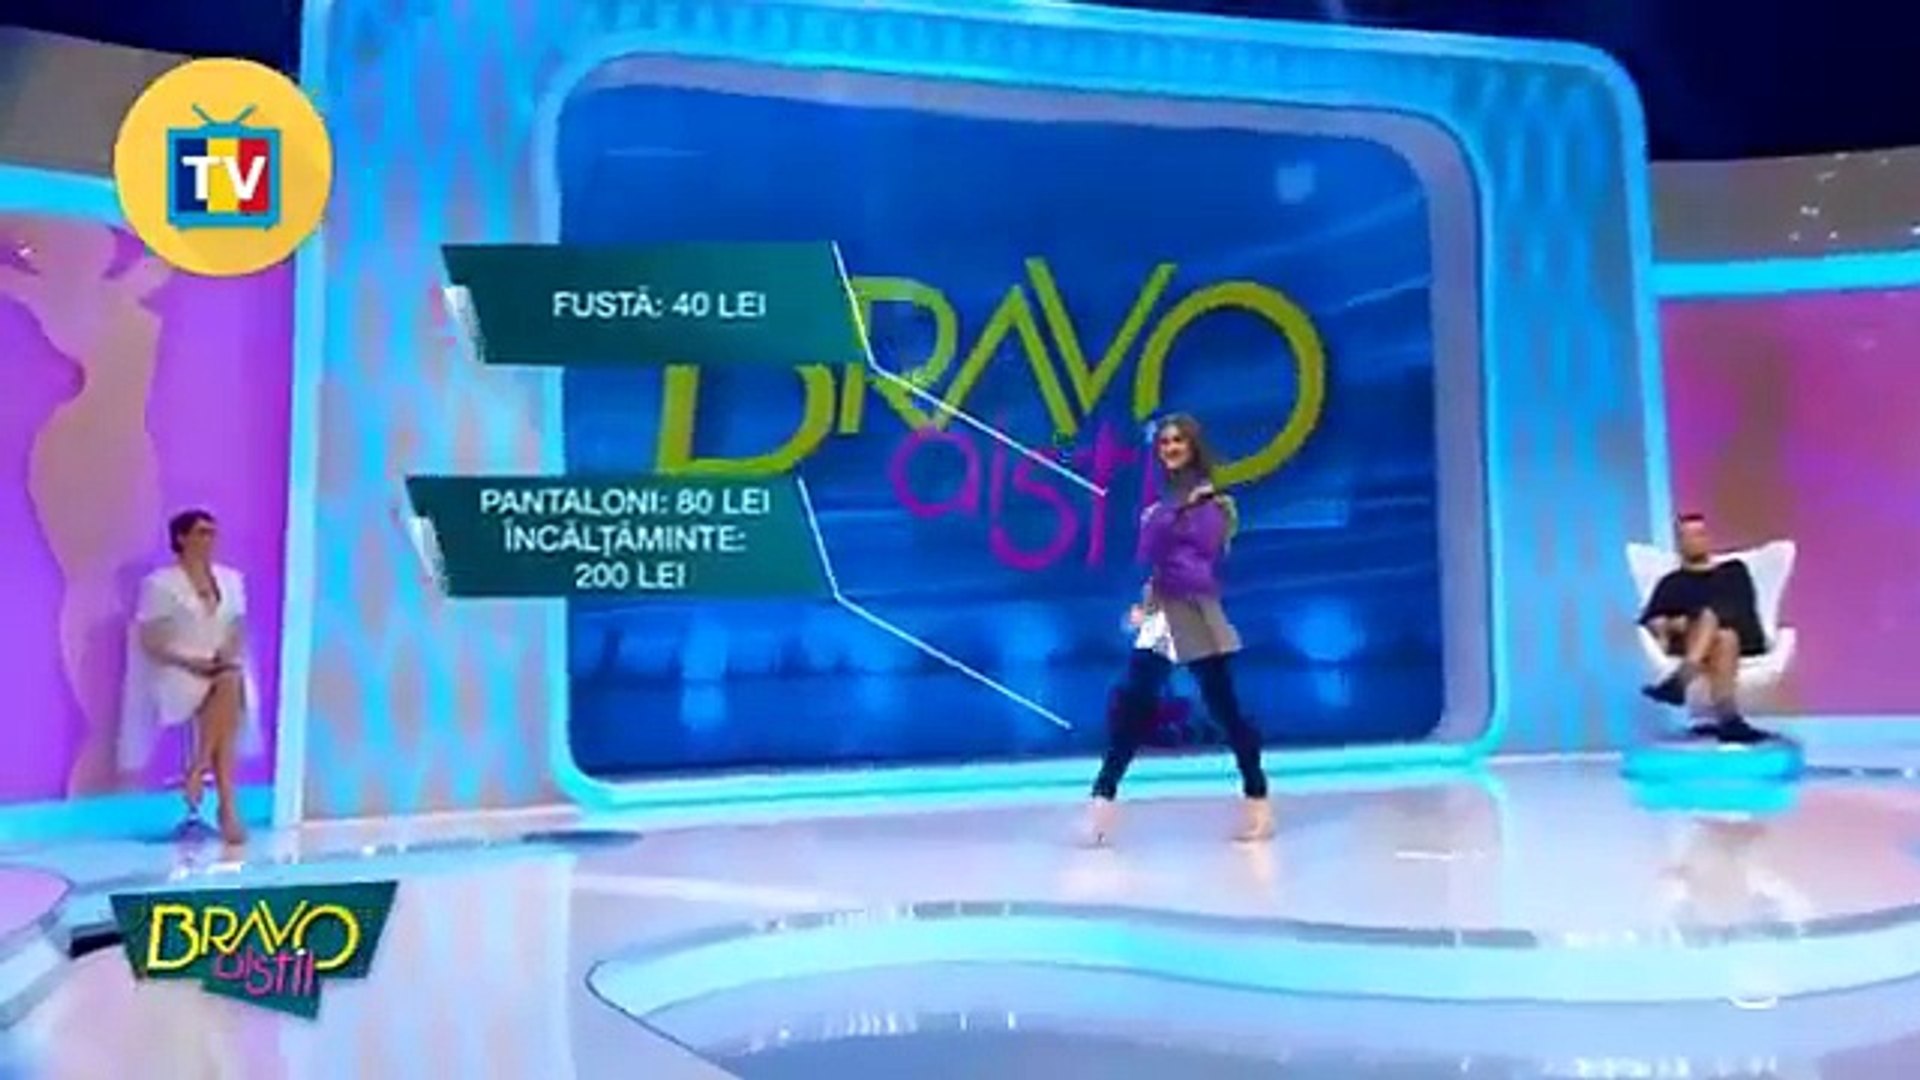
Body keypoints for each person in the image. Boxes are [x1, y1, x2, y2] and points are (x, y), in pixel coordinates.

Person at [1084, 414, 1272, 845]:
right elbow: (1155, 562)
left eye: (1178, 441)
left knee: (1226, 711)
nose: (1170, 448)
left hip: (1195, 611)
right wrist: (1145, 605)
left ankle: (1258, 799)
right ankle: (1101, 803)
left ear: (1193, 448)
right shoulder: (1161, 508)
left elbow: (1200, 560)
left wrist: (1178, 515)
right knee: (1133, 708)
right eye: (1165, 442)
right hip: (1161, 613)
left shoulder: (1213, 506)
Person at [127, 510, 257, 843]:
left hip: (221, 669)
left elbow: (237, 629)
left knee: (229, 680)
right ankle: (225, 803)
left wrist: (226, 654)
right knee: (227, 689)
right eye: (201, 532)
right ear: (181, 538)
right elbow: (151, 642)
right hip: (179, 671)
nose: (208, 539)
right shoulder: (160, 584)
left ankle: (200, 770)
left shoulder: (231, 580)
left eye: (212, 532)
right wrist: (192, 663)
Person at [1639, 513, 1772, 744]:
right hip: (1698, 641)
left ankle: (1681, 680)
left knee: (1713, 617)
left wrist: (1702, 616)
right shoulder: (1671, 583)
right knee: (1724, 637)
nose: (1695, 541)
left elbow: (1742, 606)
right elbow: (1652, 619)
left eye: (1699, 534)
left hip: (1744, 636)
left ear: (1708, 539)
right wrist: (1672, 624)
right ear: (1679, 544)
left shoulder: (1733, 570)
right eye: (1687, 537)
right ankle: (1730, 720)